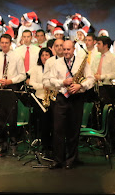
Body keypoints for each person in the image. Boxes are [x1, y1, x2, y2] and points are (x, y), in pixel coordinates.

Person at [43, 39, 94, 169]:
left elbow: (91, 79)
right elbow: (51, 80)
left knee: (73, 130)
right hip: (62, 98)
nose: (65, 52)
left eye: (68, 49)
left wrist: (80, 85)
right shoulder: (57, 63)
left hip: (77, 98)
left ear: (73, 49)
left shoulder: (82, 62)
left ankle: (71, 159)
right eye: (64, 49)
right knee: (58, 130)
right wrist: (63, 82)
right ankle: (58, 159)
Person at [0, 34, 26, 154]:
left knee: (12, 116)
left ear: (10, 43)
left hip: (11, 87)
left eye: (6, 43)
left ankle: (13, 143)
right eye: (2, 43)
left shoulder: (17, 56)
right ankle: (2, 144)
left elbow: (22, 75)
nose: (3, 45)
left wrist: (11, 81)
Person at [27, 47, 53, 158]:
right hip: (39, 98)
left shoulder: (54, 66)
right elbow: (32, 82)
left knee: (50, 123)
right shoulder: (36, 68)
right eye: (42, 55)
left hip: (51, 98)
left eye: (47, 55)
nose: (44, 57)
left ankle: (50, 145)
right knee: (41, 123)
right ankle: (42, 144)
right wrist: (42, 86)